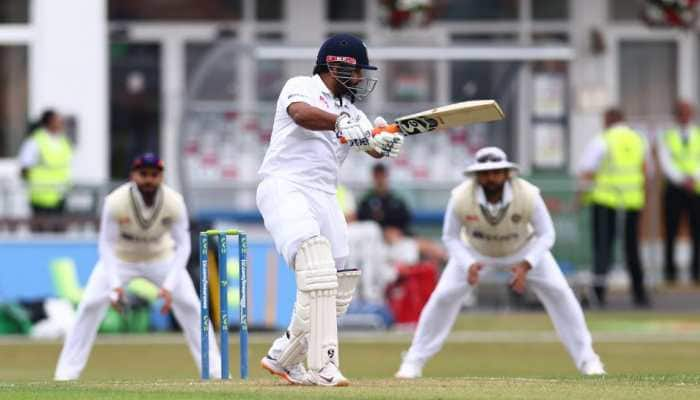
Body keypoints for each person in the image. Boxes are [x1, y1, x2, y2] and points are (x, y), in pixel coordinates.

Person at [256, 34, 404, 386]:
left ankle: (284, 357)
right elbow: (300, 114)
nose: (360, 81)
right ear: (338, 66)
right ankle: (324, 366)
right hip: (285, 185)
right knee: (316, 263)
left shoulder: (353, 112)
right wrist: (339, 123)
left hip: (324, 195)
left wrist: (381, 140)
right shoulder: (301, 87)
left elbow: (372, 146)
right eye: (357, 74)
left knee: (340, 283)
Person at [395, 147, 605, 379]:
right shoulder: (460, 197)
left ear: (507, 173)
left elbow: (546, 235)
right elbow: (450, 237)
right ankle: (413, 362)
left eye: (496, 172)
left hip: (522, 249)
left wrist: (527, 264)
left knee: (561, 293)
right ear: (476, 175)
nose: (491, 178)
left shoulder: (528, 194)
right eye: (485, 173)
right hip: (475, 251)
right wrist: (467, 264)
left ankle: (589, 361)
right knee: (442, 297)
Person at [54, 153, 222, 380]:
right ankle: (66, 375)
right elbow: (106, 244)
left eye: (154, 175)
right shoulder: (115, 201)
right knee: (89, 306)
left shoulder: (174, 201)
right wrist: (114, 286)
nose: (149, 180)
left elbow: (182, 246)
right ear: (133, 175)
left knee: (192, 308)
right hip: (121, 259)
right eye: (144, 174)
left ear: (161, 176)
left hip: (161, 258)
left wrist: (170, 286)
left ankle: (214, 371)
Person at [577, 108, 650, 307]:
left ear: (608, 120)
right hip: (632, 201)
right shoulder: (638, 139)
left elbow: (587, 170)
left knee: (602, 248)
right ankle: (640, 294)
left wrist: (580, 199)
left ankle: (598, 294)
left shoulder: (603, 139)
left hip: (605, 201)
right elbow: (645, 170)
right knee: (632, 249)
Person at [657, 101, 700, 285]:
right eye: (681, 113)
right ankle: (670, 273)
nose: (684, 116)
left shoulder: (698, 135)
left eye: (687, 112)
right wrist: (682, 179)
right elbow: (665, 161)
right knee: (671, 231)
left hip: (696, 187)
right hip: (674, 189)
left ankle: (696, 272)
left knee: (697, 232)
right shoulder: (667, 136)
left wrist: (693, 177)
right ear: (676, 115)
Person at [17, 109, 73, 222]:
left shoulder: (63, 141)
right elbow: (24, 168)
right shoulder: (35, 141)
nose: (60, 123)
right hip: (40, 197)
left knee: (60, 233)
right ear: (49, 122)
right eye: (57, 120)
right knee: (41, 234)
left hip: (60, 195)